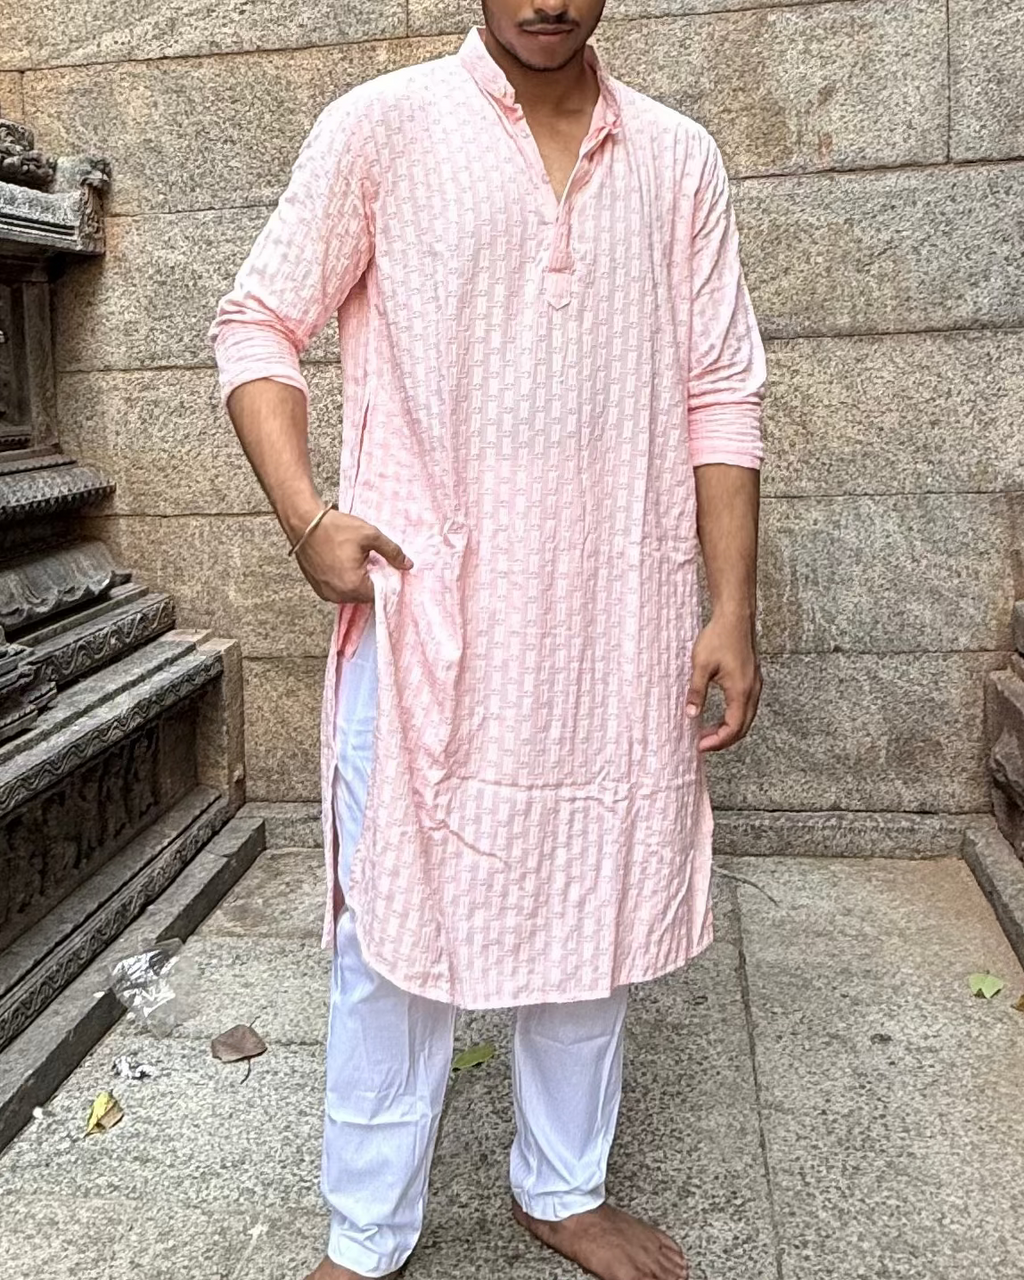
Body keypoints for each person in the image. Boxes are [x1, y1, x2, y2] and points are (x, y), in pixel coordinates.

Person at [209, 1, 765, 1276]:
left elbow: (721, 388)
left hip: (613, 623)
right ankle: (365, 1233)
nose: (548, 1)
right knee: (396, 931)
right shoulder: (384, 127)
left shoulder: (676, 155)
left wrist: (728, 605)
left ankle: (560, 1184)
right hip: (426, 620)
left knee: (594, 899)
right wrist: (307, 517)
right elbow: (256, 322)